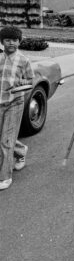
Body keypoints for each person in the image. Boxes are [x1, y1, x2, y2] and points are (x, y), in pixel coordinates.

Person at [0, 26, 34, 191]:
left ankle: (5, 176)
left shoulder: (23, 60)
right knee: (4, 138)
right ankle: (21, 150)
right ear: (2, 42)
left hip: (15, 103)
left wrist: (18, 85)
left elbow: (30, 81)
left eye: (14, 40)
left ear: (19, 41)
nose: (11, 43)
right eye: (7, 40)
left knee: (6, 141)